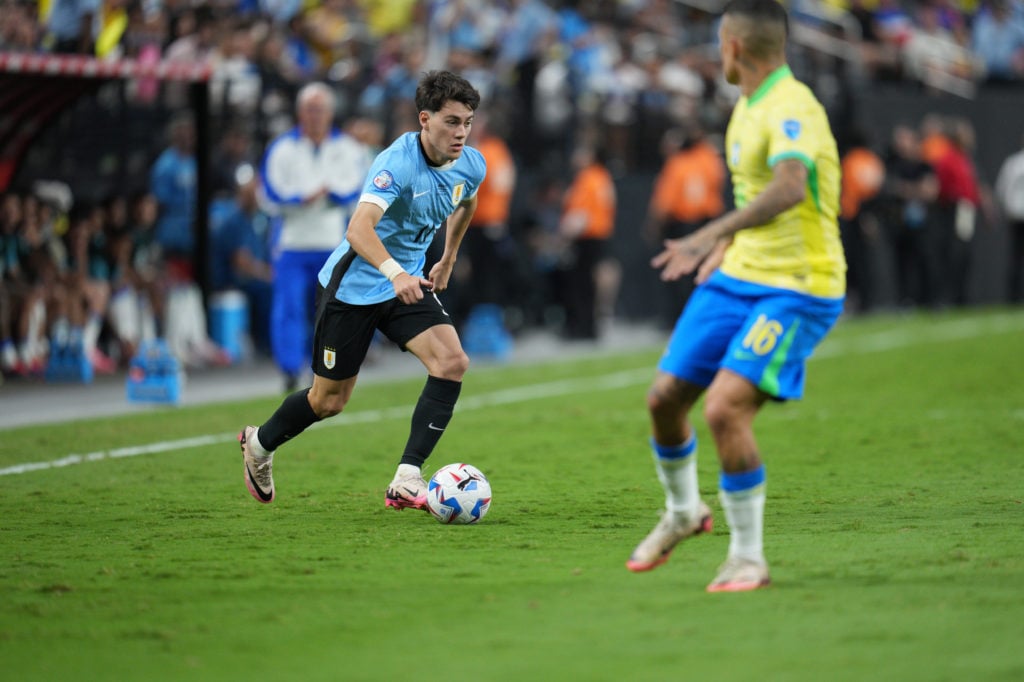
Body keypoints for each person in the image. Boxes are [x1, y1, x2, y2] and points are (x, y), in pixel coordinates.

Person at [626, 0, 846, 593]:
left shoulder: (792, 105)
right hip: (739, 276)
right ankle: (682, 512)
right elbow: (756, 191)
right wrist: (726, 252)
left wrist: (709, 234)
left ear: (733, 47)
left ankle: (748, 557)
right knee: (664, 399)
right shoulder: (746, 106)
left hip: (799, 286)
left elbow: (790, 187)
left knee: (724, 408)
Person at [238, 70, 486, 511]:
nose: (461, 132)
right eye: (451, 121)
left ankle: (408, 477)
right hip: (354, 287)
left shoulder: (471, 162)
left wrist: (447, 257)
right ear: (424, 119)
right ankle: (260, 443)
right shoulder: (396, 163)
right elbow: (358, 228)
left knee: (452, 361)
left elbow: (466, 200)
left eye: (467, 121)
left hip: (404, 284)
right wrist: (395, 273)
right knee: (328, 401)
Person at [259, 82, 372, 390]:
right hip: (292, 242)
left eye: (320, 109)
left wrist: (333, 195)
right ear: (300, 112)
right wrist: (299, 199)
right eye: (310, 109)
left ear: (331, 113)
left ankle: (327, 366)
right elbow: (268, 193)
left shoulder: (349, 149)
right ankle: (289, 369)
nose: (315, 116)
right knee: (289, 307)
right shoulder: (282, 148)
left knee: (333, 310)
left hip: (333, 241)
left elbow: (361, 190)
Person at [646, 123, 727, 328]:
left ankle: (680, 318)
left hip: (683, 224)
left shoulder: (679, 164)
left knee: (679, 274)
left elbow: (665, 202)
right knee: (704, 272)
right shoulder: (709, 159)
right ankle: (704, 316)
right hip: (708, 222)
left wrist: (654, 224)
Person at [558, 143, 617, 340]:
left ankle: (582, 327)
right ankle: (591, 326)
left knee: (581, 284)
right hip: (599, 235)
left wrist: (563, 236)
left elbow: (579, 214)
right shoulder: (603, 177)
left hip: (586, 237)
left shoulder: (588, 178)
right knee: (591, 284)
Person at [994, 133, 1024, 302]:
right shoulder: (1012, 163)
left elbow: (1001, 189)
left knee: (1015, 258)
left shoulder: (1012, 163)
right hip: (1016, 217)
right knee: (1015, 259)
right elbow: (1002, 189)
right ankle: (1014, 298)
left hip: (1014, 215)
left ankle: (1014, 298)